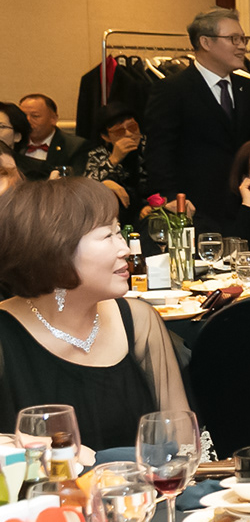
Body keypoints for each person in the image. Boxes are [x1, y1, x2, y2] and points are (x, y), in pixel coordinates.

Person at [0, 177, 191, 452]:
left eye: (118, 232)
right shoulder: (5, 336)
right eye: (107, 236)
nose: (125, 249)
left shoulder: (138, 321)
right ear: (56, 249)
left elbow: (182, 441)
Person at [144, 7, 250, 223]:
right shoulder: (172, 90)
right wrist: (171, 198)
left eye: (243, 39)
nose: (242, 46)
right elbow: (159, 152)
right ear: (206, 42)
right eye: (233, 39)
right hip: (198, 207)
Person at [83, 106, 150, 224]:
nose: (129, 134)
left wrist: (152, 205)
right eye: (119, 131)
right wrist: (113, 159)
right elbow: (85, 187)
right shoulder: (99, 154)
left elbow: (165, 182)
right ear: (106, 137)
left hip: (151, 211)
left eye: (132, 127)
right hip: (115, 218)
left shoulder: (150, 147)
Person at [13, 94, 88, 181]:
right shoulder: (14, 144)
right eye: (23, 116)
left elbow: (78, 182)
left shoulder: (75, 147)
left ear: (53, 119)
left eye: (35, 116)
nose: (27, 120)